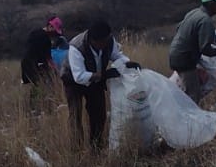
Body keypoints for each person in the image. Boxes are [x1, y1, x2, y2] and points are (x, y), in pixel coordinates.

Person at [61, 20, 136, 148]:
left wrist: (127, 63)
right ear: (93, 41)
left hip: (95, 80)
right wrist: (103, 75)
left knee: (99, 114)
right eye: (103, 43)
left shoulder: (109, 41)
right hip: (72, 81)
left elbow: (116, 56)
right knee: (75, 114)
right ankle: (77, 149)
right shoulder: (77, 47)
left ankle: (96, 146)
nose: (106, 44)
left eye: (107, 41)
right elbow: (79, 76)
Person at [169, 0, 216, 104]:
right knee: (192, 96)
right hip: (185, 60)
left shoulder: (193, 13)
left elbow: (179, 29)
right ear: (211, 3)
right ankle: (189, 120)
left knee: (185, 91)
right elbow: (205, 49)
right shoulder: (205, 20)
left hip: (176, 56)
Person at [20, 16, 66, 92]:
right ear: (50, 26)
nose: (55, 35)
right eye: (55, 31)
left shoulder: (34, 32)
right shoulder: (45, 38)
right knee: (43, 89)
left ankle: (34, 103)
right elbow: (47, 58)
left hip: (26, 65)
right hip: (36, 67)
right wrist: (55, 72)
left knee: (35, 89)